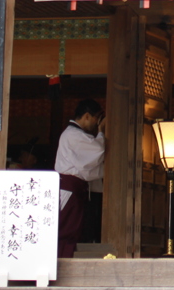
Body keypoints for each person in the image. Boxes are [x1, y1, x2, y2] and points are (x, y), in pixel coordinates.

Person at [55, 99, 106, 258]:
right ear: (87, 116)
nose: (96, 123)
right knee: (65, 231)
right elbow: (98, 149)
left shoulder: (75, 135)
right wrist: (101, 131)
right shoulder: (73, 134)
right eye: (96, 119)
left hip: (74, 190)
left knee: (71, 230)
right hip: (68, 191)